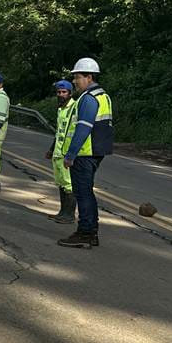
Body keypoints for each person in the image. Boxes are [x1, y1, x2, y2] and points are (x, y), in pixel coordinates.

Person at [58, 58, 114, 247]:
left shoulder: (88, 98)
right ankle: (91, 232)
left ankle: (85, 233)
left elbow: (83, 127)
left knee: (82, 194)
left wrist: (70, 154)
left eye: (77, 77)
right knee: (86, 193)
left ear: (89, 77)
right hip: (96, 151)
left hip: (84, 153)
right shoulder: (102, 95)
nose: (74, 81)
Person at [43, 80, 75, 223]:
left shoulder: (74, 108)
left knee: (69, 185)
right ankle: (62, 212)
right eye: (59, 92)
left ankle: (69, 215)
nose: (61, 95)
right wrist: (51, 150)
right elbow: (59, 133)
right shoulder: (61, 109)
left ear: (70, 93)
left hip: (67, 153)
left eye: (64, 92)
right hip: (58, 152)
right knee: (61, 183)